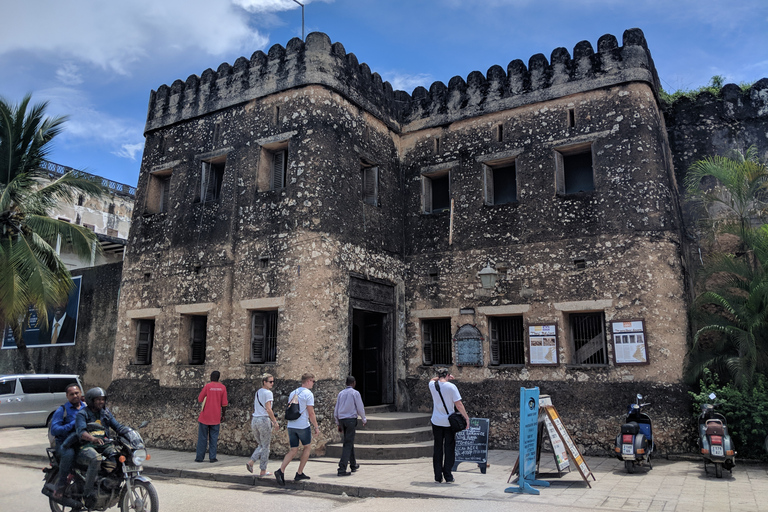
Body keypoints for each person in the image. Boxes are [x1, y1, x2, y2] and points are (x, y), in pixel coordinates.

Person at [75, 387, 129, 502]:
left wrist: (130, 432)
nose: (101, 402)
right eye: (98, 399)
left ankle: (107, 483)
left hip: (104, 444)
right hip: (86, 446)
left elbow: (117, 426)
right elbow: (81, 432)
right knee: (95, 459)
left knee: (118, 457)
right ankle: (87, 493)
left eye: (103, 399)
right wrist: (92, 438)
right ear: (91, 400)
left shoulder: (106, 413)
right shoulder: (82, 414)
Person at [274, 373, 320, 485]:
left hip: (291, 425)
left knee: (293, 450)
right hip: (302, 425)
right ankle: (299, 473)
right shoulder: (308, 394)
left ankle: (281, 470)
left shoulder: (293, 392)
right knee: (307, 447)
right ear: (308, 381)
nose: (313, 384)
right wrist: (316, 426)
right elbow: (311, 413)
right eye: (313, 381)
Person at [429, 368, 469, 484]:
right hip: (448, 422)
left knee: (437, 447)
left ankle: (437, 475)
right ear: (448, 375)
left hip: (436, 420)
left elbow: (432, 379)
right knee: (449, 447)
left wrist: (441, 377)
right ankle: (448, 475)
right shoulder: (451, 387)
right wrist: (466, 417)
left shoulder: (432, 385)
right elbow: (459, 404)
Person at [47, 383, 86, 498]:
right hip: (64, 444)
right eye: (71, 394)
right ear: (67, 396)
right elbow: (55, 430)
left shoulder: (87, 408)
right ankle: (61, 485)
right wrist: (73, 424)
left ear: (81, 393)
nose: (75, 396)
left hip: (82, 442)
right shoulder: (62, 410)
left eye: (77, 393)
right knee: (69, 454)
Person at [246, 373, 279, 477]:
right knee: (265, 446)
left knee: (261, 445)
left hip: (255, 419)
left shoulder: (258, 392)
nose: (272, 383)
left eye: (273, 381)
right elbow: (268, 408)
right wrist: (274, 421)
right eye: (270, 381)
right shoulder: (268, 393)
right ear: (264, 382)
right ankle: (262, 470)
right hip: (264, 420)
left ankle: (252, 462)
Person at [333, 375, 367, 476]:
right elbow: (360, 407)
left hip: (342, 420)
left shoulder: (341, 394)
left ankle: (353, 464)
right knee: (347, 444)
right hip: (351, 420)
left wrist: (337, 422)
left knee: (349, 441)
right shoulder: (355, 393)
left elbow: (336, 409)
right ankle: (342, 468)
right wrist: (363, 418)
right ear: (353, 383)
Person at [196, 370, 228, 463]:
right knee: (214, 438)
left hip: (205, 416)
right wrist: (223, 415)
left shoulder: (208, 386)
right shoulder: (222, 388)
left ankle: (199, 457)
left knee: (202, 438)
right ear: (218, 378)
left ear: (211, 377)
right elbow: (224, 404)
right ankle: (212, 457)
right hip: (216, 417)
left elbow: (200, 399)